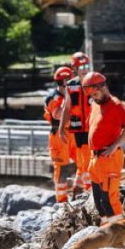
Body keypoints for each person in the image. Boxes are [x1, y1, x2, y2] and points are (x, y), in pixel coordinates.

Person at [83, 71, 125, 224]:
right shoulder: (95, 104)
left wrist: (115, 145)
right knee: (99, 201)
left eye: (95, 94)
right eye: (91, 96)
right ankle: (107, 231)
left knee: (109, 200)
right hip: (95, 159)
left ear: (103, 87)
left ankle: (119, 232)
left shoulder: (115, 105)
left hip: (109, 158)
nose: (94, 97)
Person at [45, 67, 76, 203]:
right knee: (61, 168)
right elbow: (57, 114)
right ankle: (62, 200)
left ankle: (80, 190)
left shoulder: (74, 93)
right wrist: (68, 102)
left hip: (74, 132)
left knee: (83, 162)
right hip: (58, 134)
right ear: (64, 81)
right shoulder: (53, 98)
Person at [68, 51, 93, 190]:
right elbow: (67, 107)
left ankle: (90, 187)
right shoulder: (71, 86)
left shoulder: (95, 82)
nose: (85, 70)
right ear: (75, 69)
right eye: (81, 68)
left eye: (86, 66)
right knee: (83, 160)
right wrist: (61, 128)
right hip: (78, 130)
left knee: (92, 158)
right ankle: (86, 188)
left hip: (92, 127)